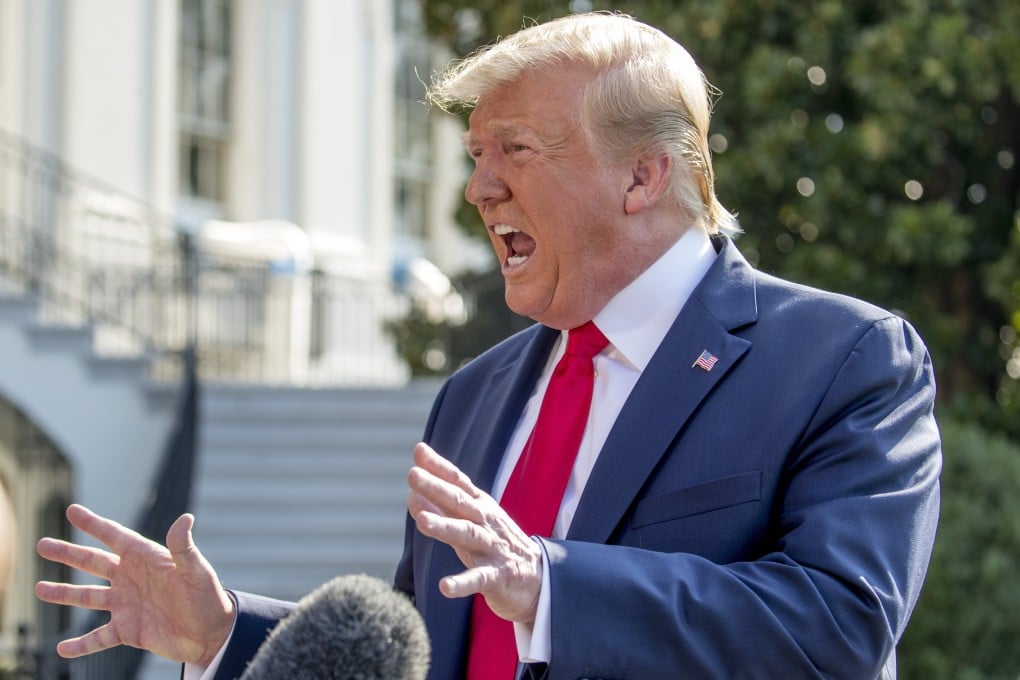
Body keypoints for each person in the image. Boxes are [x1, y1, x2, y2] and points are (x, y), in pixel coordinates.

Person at [35, 11, 941, 680]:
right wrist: (227, 634)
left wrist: (553, 583)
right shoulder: (472, 396)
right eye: (475, 153)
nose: (476, 187)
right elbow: (426, 650)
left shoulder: (843, 360)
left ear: (641, 175)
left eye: (513, 149)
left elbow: (838, 627)